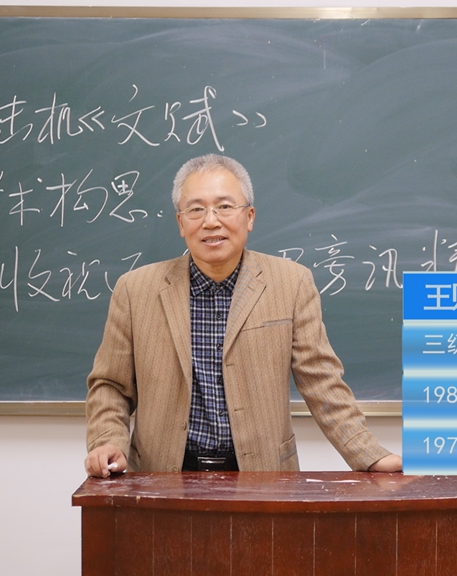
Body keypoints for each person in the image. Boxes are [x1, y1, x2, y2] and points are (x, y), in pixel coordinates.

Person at [84, 154, 402, 477]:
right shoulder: (135, 290)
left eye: (224, 206)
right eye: (196, 209)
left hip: (265, 478)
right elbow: (111, 385)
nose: (211, 221)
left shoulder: (292, 284)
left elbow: (322, 382)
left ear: (249, 217)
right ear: (180, 223)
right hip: (162, 478)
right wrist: (107, 441)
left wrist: (370, 455)